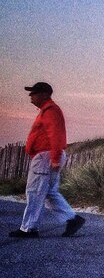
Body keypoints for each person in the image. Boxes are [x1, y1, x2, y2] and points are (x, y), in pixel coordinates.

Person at [9, 82, 86, 238]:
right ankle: (72, 219)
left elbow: (55, 135)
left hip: (46, 156)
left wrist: (55, 158)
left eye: (34, 93)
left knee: (34, 192)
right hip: (48, 156)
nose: (31, 96)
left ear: (44, 94)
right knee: (49, 192)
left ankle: (29, 228)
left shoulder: (50, 110)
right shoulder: (47, 111)